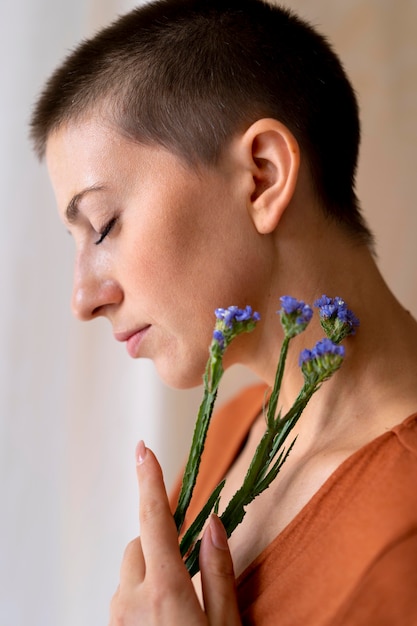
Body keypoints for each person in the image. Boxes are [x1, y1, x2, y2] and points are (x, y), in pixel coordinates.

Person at [30, 0, 417, 623]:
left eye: (102, 226)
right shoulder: (234, 433)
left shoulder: (401, 537)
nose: (83, 298)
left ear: (262, 176)